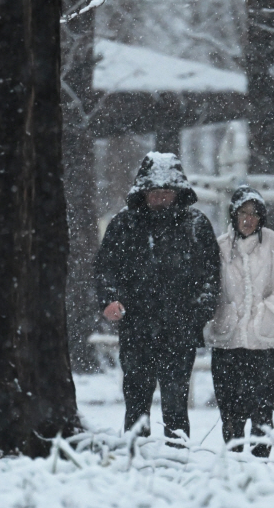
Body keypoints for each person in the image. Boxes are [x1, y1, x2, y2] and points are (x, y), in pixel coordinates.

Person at [95, 151, 220, 441]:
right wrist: (109, 300)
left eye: (167, 192)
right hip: (136, 328)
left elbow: (211, 276)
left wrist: (197, 315)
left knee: (176, 402)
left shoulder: (196, 226)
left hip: (179, 331)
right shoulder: (123, 225)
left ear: (178, 192)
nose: (161, 198)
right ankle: (135, 453)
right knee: (136, 399)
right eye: (155, 192)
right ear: (144, 192)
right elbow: (105, 268)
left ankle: (177, 455)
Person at [206, 185, 274, 457]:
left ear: (261, 218)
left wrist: (268, 309)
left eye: (255, 214)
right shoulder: (220, 247)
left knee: (262, 410)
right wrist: (223, 310)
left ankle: (260, 470)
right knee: (230, 412)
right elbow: (207, 285)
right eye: (243, 213)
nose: (248, 219)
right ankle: (234, 467)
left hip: (267, 342)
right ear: (233, 215)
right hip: (228, 340)